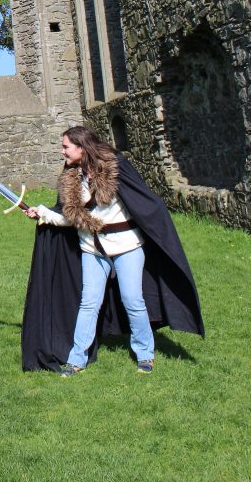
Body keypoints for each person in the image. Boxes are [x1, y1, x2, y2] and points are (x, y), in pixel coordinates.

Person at [22, 125, 204, 376]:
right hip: (92, 249)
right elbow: (72, 218)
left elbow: (141, 201)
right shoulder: (70, 177)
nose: (62, 151)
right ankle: (77, 359)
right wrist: (42, 213)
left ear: (81, 147)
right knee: (89, 303)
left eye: (66, 146)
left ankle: (145, 353)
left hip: (127, 246)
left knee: (132, 300)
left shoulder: (114, 166)